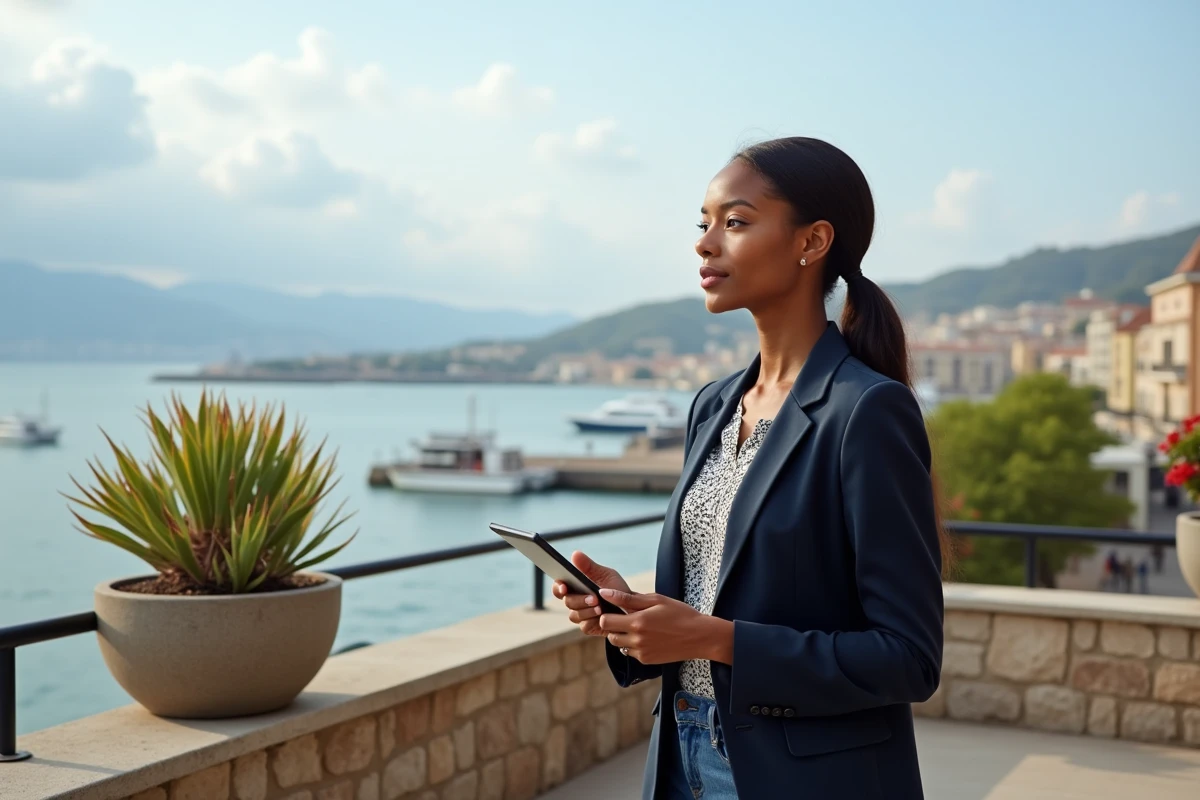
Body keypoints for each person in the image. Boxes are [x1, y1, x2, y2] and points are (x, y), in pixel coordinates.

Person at [552, 137, 948, 799]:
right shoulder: (712, 405)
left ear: (812, 241)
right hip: (680, 754)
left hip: (808, 777)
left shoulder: (868, 411)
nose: (706, 243)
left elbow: (908, 659)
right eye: (703, 224)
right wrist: (630, 611)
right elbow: (716, 595)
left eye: (734, 222)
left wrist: (716, 638)